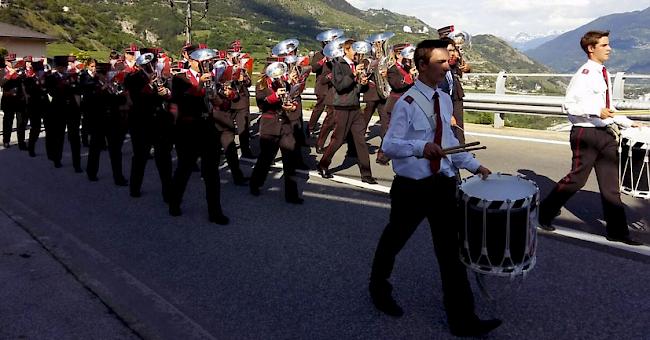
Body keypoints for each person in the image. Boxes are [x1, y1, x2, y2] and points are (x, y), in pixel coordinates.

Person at [368, 39, 501, 337]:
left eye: (448, 61)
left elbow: (450, 143)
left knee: (451, 253)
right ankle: (378, 288)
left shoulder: (442, 99)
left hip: (442, 185)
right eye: (440, 62)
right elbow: (389, 145)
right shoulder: (407, 102)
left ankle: (462, 318)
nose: (447, 66)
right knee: (394, 240)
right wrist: (420, 147)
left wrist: (473, 164)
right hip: (412, 188)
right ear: (422, 65)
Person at [538, 30, 642, 246]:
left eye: (608, 44)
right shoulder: (583, 74)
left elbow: (609, 107)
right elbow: (570, 105)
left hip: (605, 132)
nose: (609, 48)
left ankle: (618, 232)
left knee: (611, 185)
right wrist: (596, 111)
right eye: (604, 45)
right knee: (577, 179)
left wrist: (628, 122)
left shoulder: (603, 72)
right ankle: (543, 214)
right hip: (585, 133)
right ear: (591, 49)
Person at [168, 48, 229, 225]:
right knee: (184, 168)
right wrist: (200, 85)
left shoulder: (211, 78)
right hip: (188, 128)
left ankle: (215, 211)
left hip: (207, 126)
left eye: (208, 61)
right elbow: (182, 99)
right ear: (193, 61)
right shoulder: (180, 78)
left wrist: (217, 98)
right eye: (203, 61)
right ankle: (174, 202)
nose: (206, 64)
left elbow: (220, 102)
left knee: (212, 172)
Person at [317, 39, 377, 184]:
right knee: (337, 140)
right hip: (342, 107)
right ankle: (323, 164)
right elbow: (340, 86)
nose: (358, 53)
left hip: (355, 107)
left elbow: (356, 89)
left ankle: (366, 174)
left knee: (360, 141)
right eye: (355, 50)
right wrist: (353, 74)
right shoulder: (338, 64)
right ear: (346, 50)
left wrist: (362, 83)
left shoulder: (356, 65)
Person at [249, 60, 304, 204]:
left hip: (285, 125)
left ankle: (291, 195)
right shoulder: (261, 85)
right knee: (265, 159)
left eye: (280, 70)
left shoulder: (284, 83)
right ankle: (255, 184)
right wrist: (275, 96)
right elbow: (261, 104)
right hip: (269, 125)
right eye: (274, 70)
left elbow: (292, 99)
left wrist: (292, 106)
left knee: (289, 160)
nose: (278, 74)